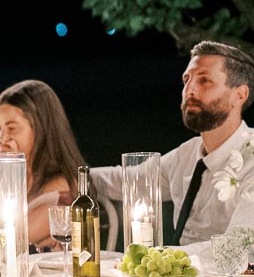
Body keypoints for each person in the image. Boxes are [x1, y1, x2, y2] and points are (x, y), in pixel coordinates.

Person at [93, 41, 254, 247]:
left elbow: (239, 247)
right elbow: (126, 181)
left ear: (239, 95)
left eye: (204, 80)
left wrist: (165, 258)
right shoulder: (186, 155)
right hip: (177, 275)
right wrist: (75, 178)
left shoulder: (251, 159)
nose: (190, 90)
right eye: (187, 80)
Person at [0, 81, 85, 248]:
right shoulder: (20, 178)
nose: (2, 138)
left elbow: (8, 239)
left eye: (12, 128)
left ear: (41, 129)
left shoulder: (62, 189)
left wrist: (9, 169)